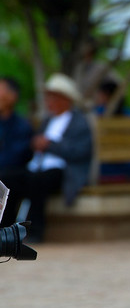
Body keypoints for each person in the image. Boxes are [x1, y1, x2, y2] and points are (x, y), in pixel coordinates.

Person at [7, 74, 93, 241]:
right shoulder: (48, 120)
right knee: (8, 178)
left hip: (63, 171)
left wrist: (49, 145)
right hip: (37, 167)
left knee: (37, 181)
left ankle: (34, 231)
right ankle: (6, 231)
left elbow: (80, 152)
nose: (48, 101)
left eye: (52, 97)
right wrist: (36, 143)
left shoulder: (79, 122)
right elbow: (35, 143)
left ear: (65, 99)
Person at [0, 76, 33, 227]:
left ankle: (5, 229)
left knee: (7, 177)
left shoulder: (22, 125)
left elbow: (16, 157)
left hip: (14, 173)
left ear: (13, 96)